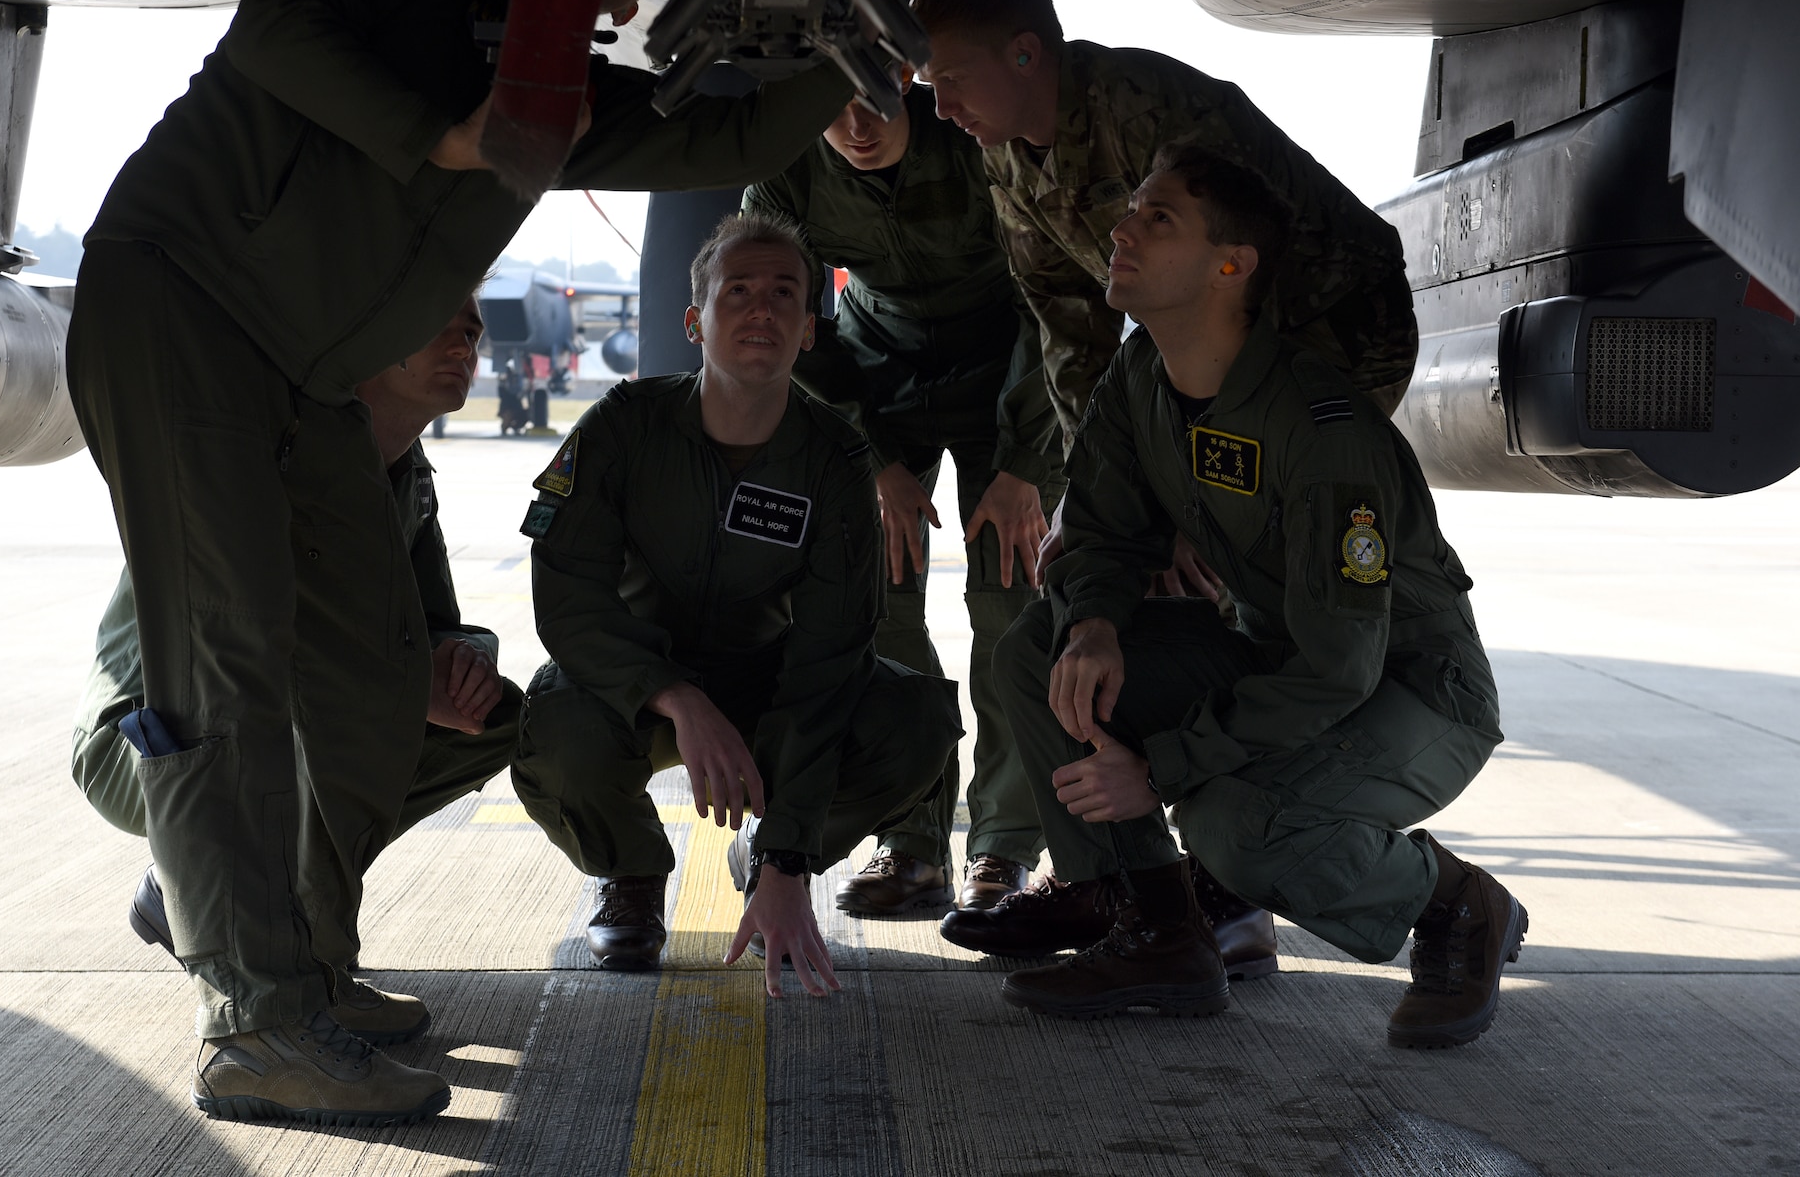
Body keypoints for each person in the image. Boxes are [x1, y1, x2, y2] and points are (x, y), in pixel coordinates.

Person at [66, 0, 955, 1124]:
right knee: (227, 670)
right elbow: (279, 27)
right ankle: (257, 1022)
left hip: (305, 378)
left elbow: (746, 131)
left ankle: (306, 972)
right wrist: (449, 131)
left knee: (377, 671)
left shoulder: (576, 97)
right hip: (184, 308)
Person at [974, 146, 1523, 1049]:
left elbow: (1339, 668)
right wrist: (1097, 625)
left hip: (1412, 689)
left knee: (1235, 828)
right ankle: (1157, 931)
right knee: (1041, 653)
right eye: (1132, 210)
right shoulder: (1139, 380)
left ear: (1232, 266)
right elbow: (1103, 533)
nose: (1121, 229)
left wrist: (1156, 770)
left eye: (1159, 218)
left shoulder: (1319, 429)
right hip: (1279, 659)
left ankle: (1456, 906)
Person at [510, 212, 963, 996]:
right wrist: (675, 694)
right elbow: (568, 596)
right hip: (638, 680)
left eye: (785, 292)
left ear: (810, 328)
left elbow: (829, 658)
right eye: (739, 290)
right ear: (696, 320)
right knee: (555, 729)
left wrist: (789, 856)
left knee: (912, 721)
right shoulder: (624, 427)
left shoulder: (834, 459)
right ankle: (630, 872)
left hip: (765, 678)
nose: (762, 309)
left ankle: (763, 861)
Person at [68, 295, 514, 1046]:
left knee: (492, 723)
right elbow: (251, 651)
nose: (468, 328)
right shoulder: (284, 453)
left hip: (267, 723)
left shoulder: (404, 472)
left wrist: (465, 663)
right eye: (439, 306)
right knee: (340, 720)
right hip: (154, 736)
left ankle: (225, 897)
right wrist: (399, 676)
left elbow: (434, 621)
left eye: (472, 317)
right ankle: (286, 989)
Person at [743, 78, 1062, 914]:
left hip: (1008, 370)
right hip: (873, 375)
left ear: (914, 82)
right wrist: (867, 456)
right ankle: (913, 845)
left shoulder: (980, 137)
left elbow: (1057, 291)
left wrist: (1027, 461)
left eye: (877, 97)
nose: (856, 125)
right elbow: (779, 308)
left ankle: (1004, 851)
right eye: (834, 100)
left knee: (1014, 603)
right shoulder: (788, 169)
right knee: (879, 607)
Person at [910, 0, 1418, 450]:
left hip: (1337, 321)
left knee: (1287, 508)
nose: (942, 108)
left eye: (952, 79)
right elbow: (1069, 320)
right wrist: (1091, 471)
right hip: (1221, 342)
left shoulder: (1146, 111)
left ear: (1024, 54)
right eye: (933, 86)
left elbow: (1247, 280)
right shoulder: (1004, 153)